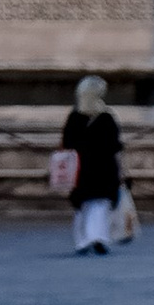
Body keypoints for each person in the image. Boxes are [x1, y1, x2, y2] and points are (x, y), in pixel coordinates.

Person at [60, 75, 124, 254]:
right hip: (104, 167)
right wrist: (122, 171)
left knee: (83, 205)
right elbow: (115, 147)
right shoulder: (107, 118)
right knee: (100, 205)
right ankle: (97, 237)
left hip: (80, 167)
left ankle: (82, 240)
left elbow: (66, 144)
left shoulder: (74, 118)